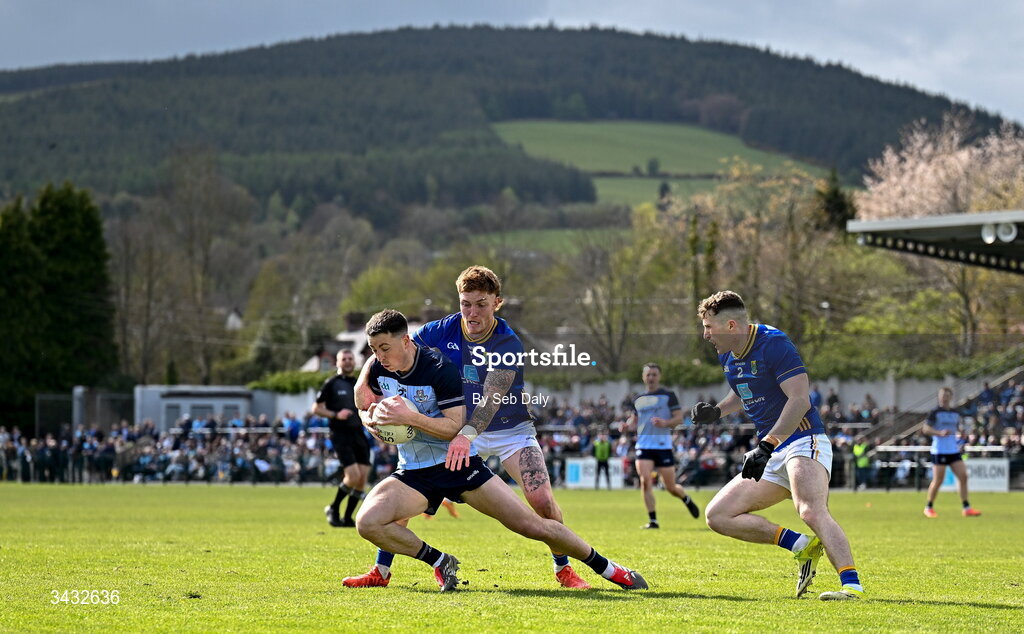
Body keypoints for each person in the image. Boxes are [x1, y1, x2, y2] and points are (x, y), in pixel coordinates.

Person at [341, 309, 647, 592]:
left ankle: (610, 569)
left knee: (532, 524)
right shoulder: (380, 368)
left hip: (458, 463)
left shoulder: (439, 369)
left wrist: (408, 419)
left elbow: (454, 426)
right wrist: (372, 421)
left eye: (384, 348)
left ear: (406, 341)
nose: (379, 357)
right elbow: (364, 403)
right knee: (368, 523)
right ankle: (438, 561)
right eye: (373, 350)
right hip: (413, 472)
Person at [689, 291, 864, 601]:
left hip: (802, 439)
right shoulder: (727, 353)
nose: (705, 335)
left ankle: (851, 586)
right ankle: (801, 546)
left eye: (709, 327)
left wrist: (767, 445)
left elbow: (799, 400)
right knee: (718, 515)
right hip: (771, 449)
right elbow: (743, 392)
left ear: (731, 325)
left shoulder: (774, 343)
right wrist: (717, 411)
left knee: (810, 510)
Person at [625, 363, 700, 528]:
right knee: (645, 481)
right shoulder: (637, 399)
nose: (651, 377)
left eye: (654, 374)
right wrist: (626, 425)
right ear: (643, 377)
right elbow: (634, 420)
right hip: (644, 446)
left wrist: (665, 422)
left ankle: (685, 498)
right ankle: (653, 520)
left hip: (663, 446)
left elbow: (679, 419)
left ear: (659, 376)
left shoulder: (669, 396)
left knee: (670, 487)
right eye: (648, 375)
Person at [312, 349, 369, 527]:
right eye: (343, 359)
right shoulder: (331, 383)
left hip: (359, 433)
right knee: (352, 476)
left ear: (354, 362)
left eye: (350, 359)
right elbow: (316, 408)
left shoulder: (359, 383)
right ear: (337, 363)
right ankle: (333, 508)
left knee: (362, 479)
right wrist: (336, 414)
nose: (347, 361)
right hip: (340, 434)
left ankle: (347, 517)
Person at [922, 387, 981, 518]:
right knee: (938, 480)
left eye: (947, 395)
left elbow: (956, 428)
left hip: (952, 450)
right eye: (942, 395)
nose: (944, 398)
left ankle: (966, 508)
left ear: (951, 397)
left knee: (963, 476)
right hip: (939, 450)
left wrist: (961, 433)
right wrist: (939, 433)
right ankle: (929, 507)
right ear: (939, 397)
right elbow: (925, 429)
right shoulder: (934, 412)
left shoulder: (955, 413)